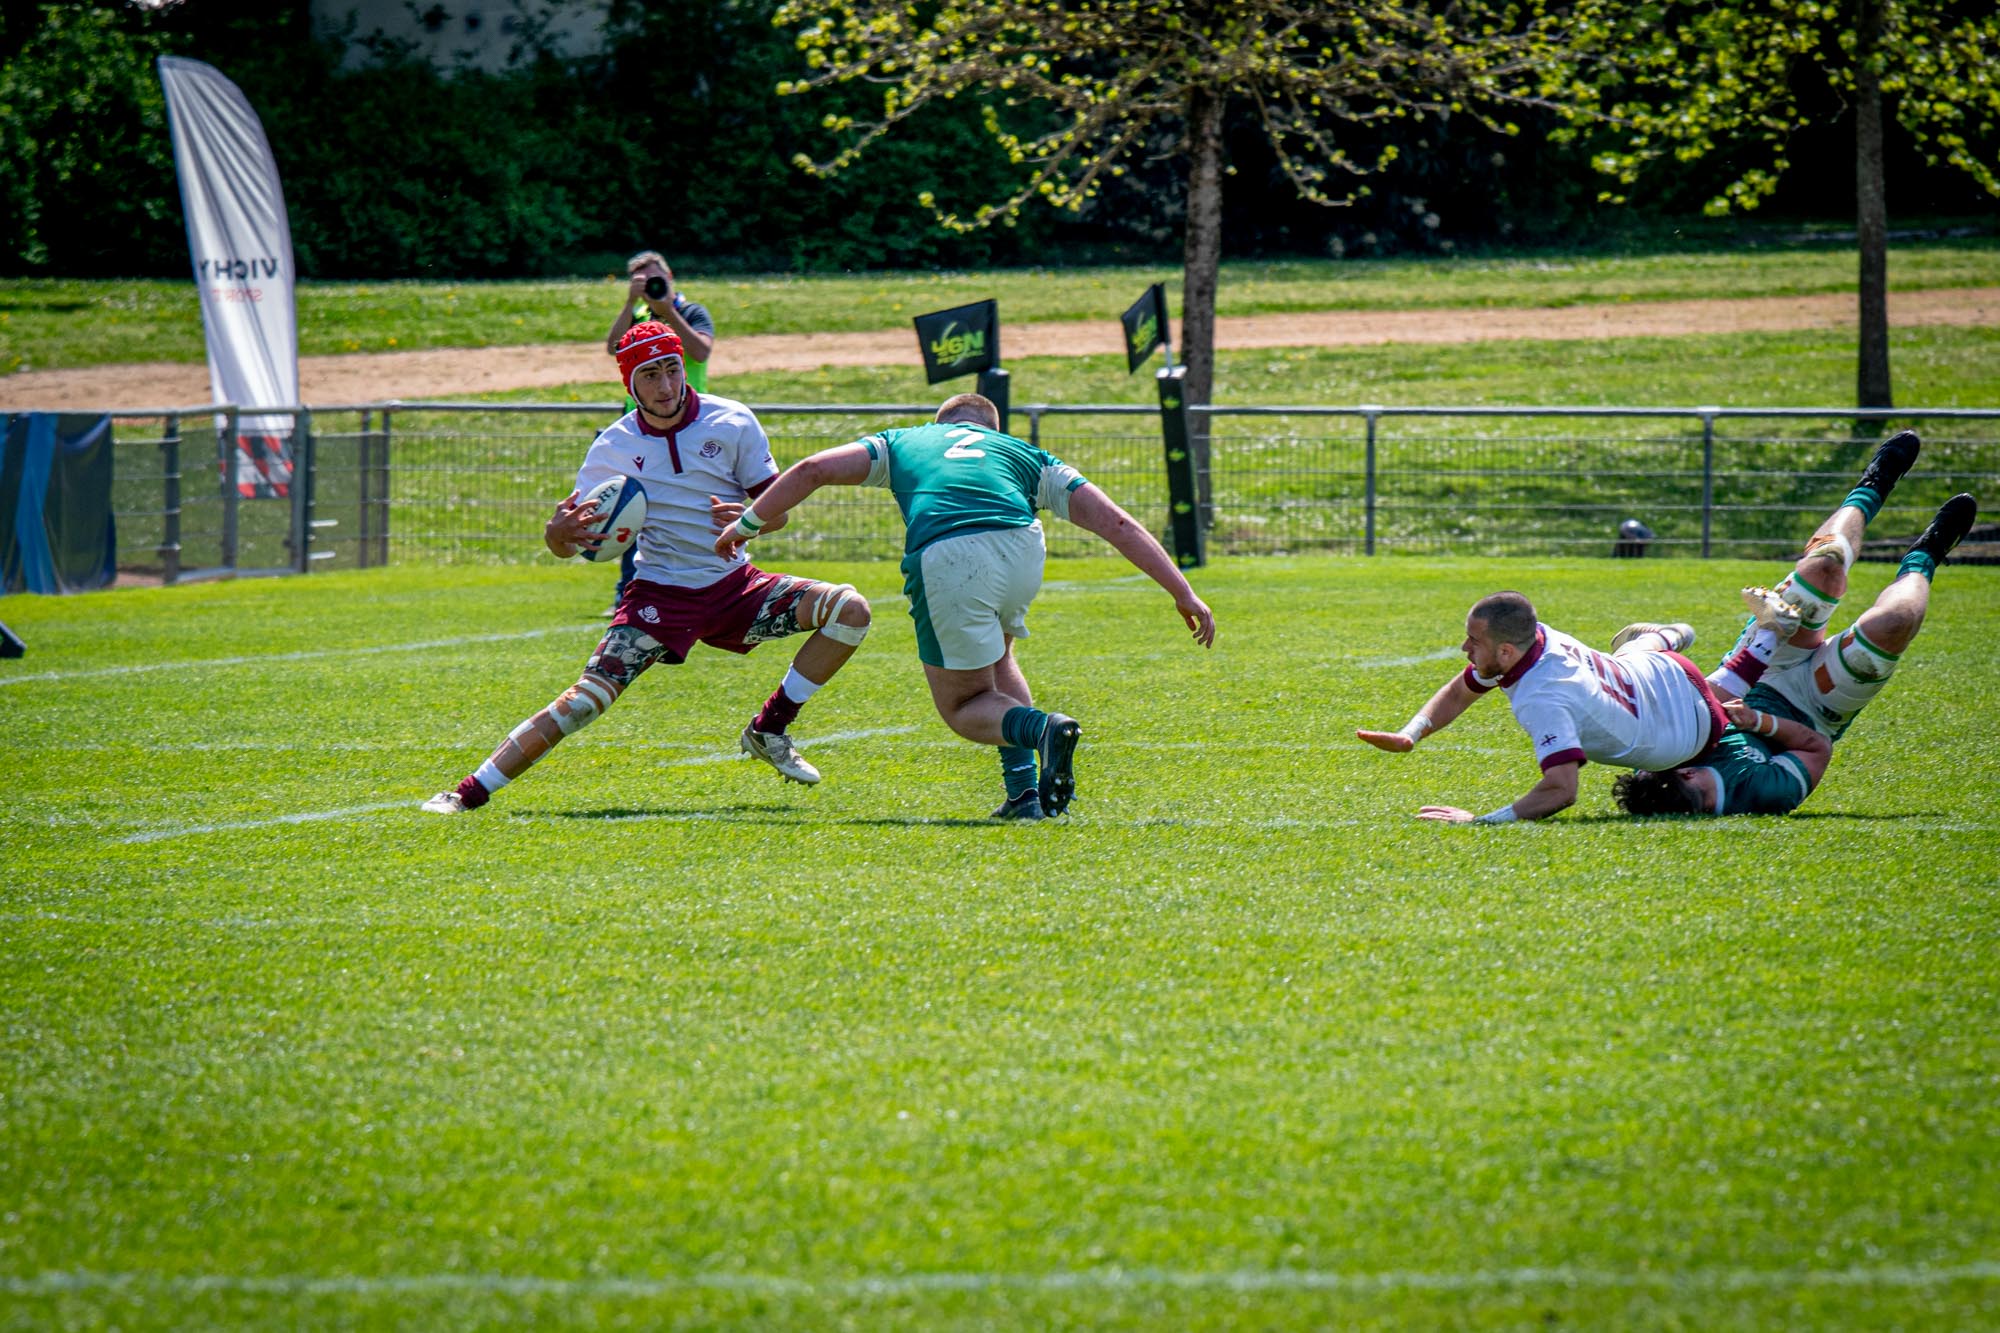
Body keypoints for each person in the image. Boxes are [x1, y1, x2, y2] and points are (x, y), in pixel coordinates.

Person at [421, 322, 872, 814]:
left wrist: (751, 523)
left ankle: (770, 727)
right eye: (650, 375)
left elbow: (777, 511)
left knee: (849, 610)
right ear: (630, 384)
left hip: (737, 588)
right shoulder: (612, 448)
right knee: (584, 701)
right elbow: (570, 545)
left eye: (673, 370)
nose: (666, 386)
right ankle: (466, 794)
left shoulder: (733, 422)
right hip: (660, 596)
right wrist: (558, 534)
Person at [712, 392, 1216, 820]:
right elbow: (1117, 524)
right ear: (993, 430)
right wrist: (1182, 591)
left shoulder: (906, 440)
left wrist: (748, 525)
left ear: (941, 426)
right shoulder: (1026, 453)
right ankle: (1023, 795)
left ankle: (1042, 728)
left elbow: (813, 469)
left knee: (962, 706)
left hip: (950, 554)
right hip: (1022, 546)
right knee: (999, 658)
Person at [1612, 429, 1977, 816]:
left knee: (1826, 565)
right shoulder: (1763, 796)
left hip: (1759, 673)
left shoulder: (1653, 765)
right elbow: (1817, 748)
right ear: (1688, 778)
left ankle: (1873, 484)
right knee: (1894, 622)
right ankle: (1926, 555)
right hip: (1816, 711)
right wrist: (1760, 723)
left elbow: (1668, 700)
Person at [1355, 589, 1730, 824]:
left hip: (1691, 741)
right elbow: (1460, 691)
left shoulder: (1542, 697)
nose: (1464, 649)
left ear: (1505, 651)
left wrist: (1482, 821)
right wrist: (1411, 734)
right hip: (1669, 672)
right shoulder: (1536, 636)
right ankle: (1670, 636)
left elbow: (1561, 790)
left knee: (1756, 693)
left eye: (1472, 640)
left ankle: (1756, 642)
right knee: (1629, 654)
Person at [602, 252, 719, 614]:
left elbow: (700, 351)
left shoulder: (692, 311)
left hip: (689, 426)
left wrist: (668, 310)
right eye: (642, 280)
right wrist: (630, 303)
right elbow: (612, 348)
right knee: (631, 511)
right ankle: (629, 591)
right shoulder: (636, 316)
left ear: (670, 276)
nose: (652, 286)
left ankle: (706, 583)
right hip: (639, 427)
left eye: (656, 279)